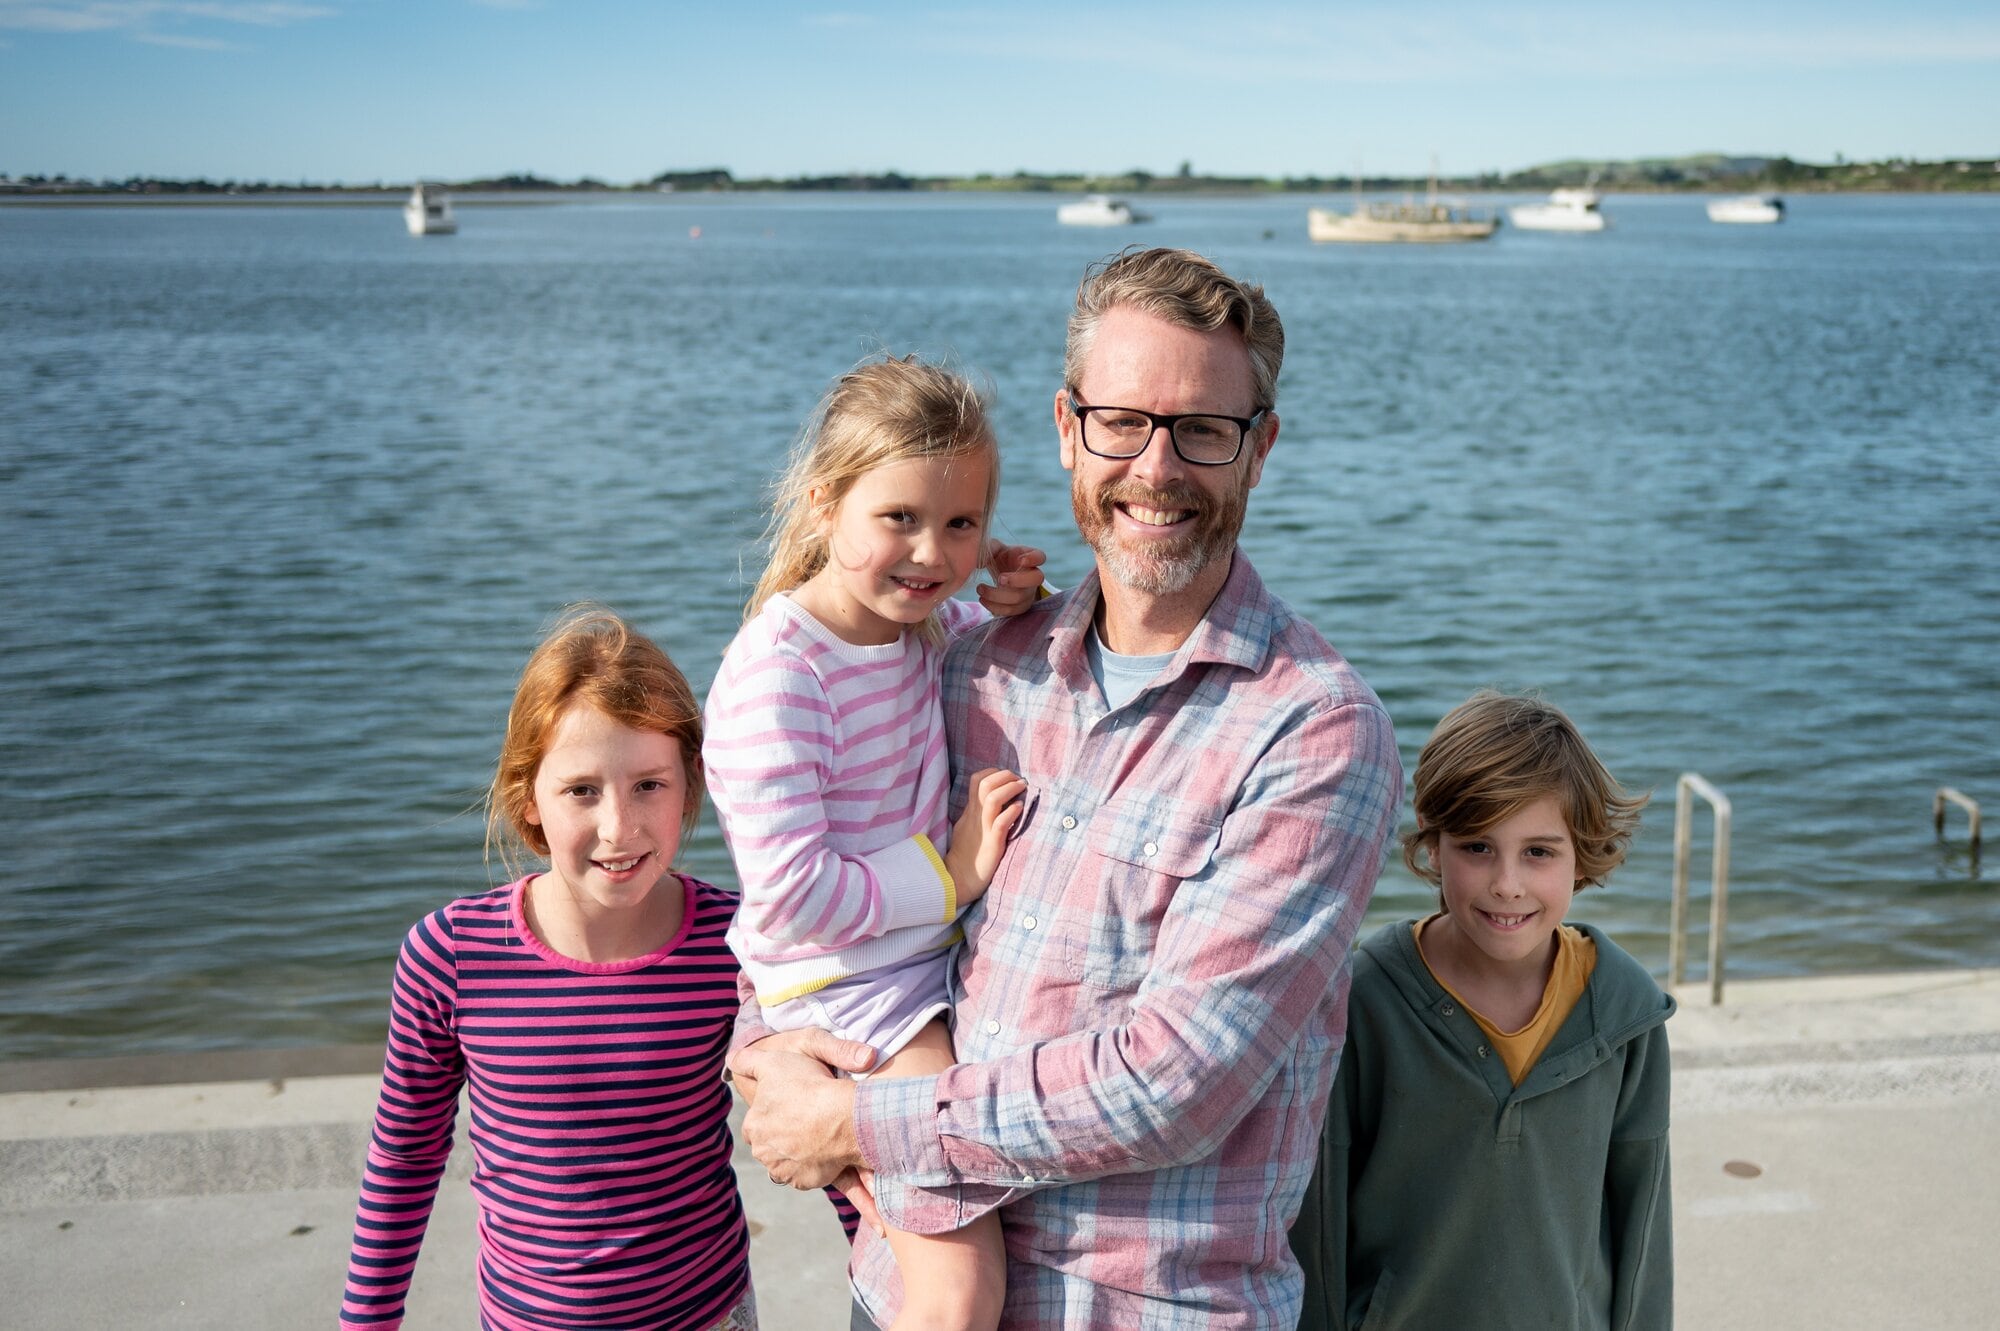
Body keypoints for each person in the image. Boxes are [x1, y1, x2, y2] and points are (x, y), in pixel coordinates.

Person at [729, 248, 1403, 1329]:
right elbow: (822, 882)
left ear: (1258, 449)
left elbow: (1175, 1081)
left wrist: (860, 1119)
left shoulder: (1316, 732)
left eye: (1202, 429)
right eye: (1120, 421)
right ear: (1064, 428)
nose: (1155, 464)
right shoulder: (972, 663)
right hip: (910, 1283)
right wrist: (765, 1045)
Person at [704, 356, 1047, 1331]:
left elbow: (978, 622)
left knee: (929, 1243)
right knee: (957, 1291)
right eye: (897, 516)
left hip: (900, 973)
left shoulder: (918, 625)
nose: (929, 551)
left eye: (959, 523)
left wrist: (1020, 597)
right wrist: (954, 870)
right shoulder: (778, 675)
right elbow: (795, 895)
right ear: (824, 504)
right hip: (855, 993)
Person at [339, 607, 755, 1331]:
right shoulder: (450, 956)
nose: (619, 826)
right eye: (582, 789)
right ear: (528, 795)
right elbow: (404, 1157)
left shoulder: (738, 940)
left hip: (710, 1313)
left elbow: (818, 1117)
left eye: (649, 784)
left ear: (693, 779)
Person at [1290, 690, 1674, 1331]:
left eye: (1539, 852)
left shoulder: (1626, 1013)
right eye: (1477, 847)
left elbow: (1643, 1232)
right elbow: (1318, 1225)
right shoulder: (1361, 1004)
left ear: (1581, 853)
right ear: (1433, 846)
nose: (1507, 883)